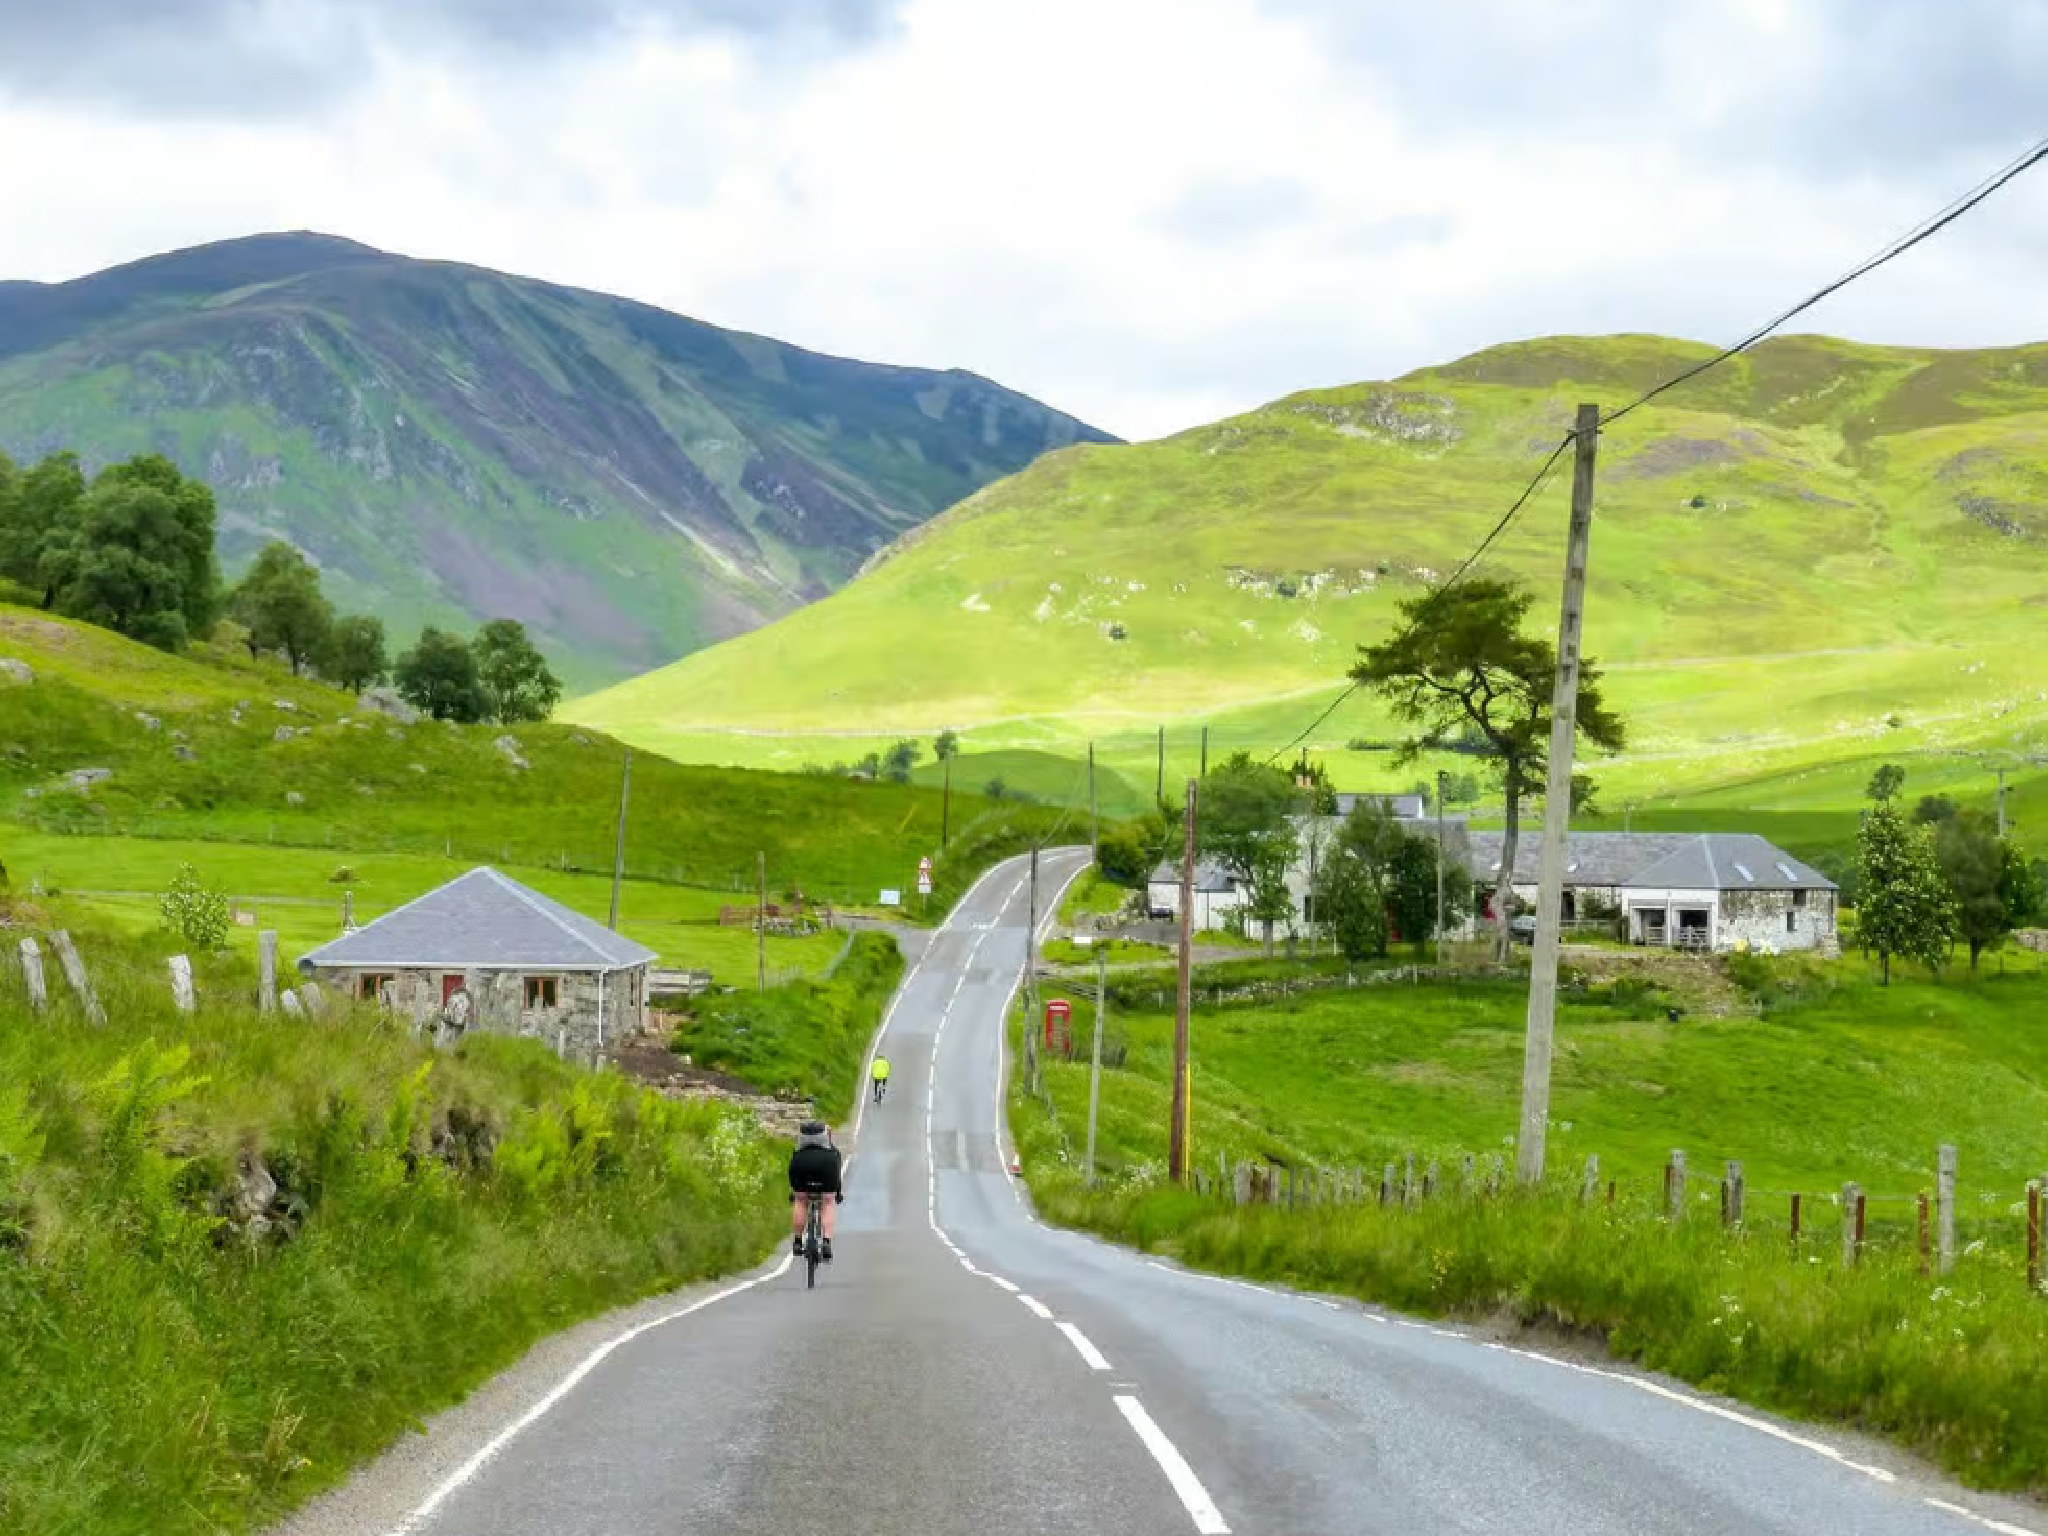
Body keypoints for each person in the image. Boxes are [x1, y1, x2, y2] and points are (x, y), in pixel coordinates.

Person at [788, 1120, 842, 1262]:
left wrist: (794, 1193)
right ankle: (826, 1242)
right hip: (827, 1164)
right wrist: (837, 1193)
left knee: (800, 1200)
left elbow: (792, 1170)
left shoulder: (798, 1148)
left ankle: (798, 1241)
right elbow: (837, 1171)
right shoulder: (832, 1151)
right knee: (828, 1202)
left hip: (801, 1163)